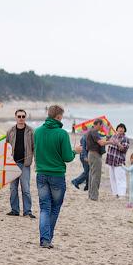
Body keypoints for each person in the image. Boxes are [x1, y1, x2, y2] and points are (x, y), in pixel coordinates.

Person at [33, 105, 81, 248]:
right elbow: (67, 157)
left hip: (41, 173)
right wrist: (75, 151)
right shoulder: (62, 133)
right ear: (59, 116)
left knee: (44, 208)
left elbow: (37, 151)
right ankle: (47, 239)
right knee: (54, 208)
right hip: (56, 175)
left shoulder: (38, 131)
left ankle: (45, 239)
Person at [6, 109, 35, 218]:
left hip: (25, 164)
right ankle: (15, 210)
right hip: (12, 164)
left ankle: (27, 211)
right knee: (13, 188)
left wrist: (35, 161)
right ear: (15, 117)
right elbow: (6, 147)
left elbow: (34, 147)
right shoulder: (10, 131)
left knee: (25, 188)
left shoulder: (31, 131)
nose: (21, 118)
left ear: (25, 117)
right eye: (19, 116)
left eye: (23, 116)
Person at [85, 119, 109, 201]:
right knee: (96, 176)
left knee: (92, 175)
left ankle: (91, 195)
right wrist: (111, 142)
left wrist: (106, 139)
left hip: (91, 154)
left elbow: (100, 141)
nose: (102, 126)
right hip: (95, 155)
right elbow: (101, 143)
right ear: (98, 124)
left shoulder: (90, 131)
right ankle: (94, 196)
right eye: (101, 125)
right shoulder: (94, 131)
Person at [105, 123, 130, 198]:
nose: (121, 129)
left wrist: (118, 144)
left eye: (122, 128)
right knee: (112, 178)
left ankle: (121, 194)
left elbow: (124, 149)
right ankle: (115, 193)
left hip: (119, 161)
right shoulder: (114, 136)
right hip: (111, 160)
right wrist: (109, 130)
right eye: (119, 128)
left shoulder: (125, 138)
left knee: (120, 178)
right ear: (117, 129)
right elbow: (107, 139)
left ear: (124, 130)